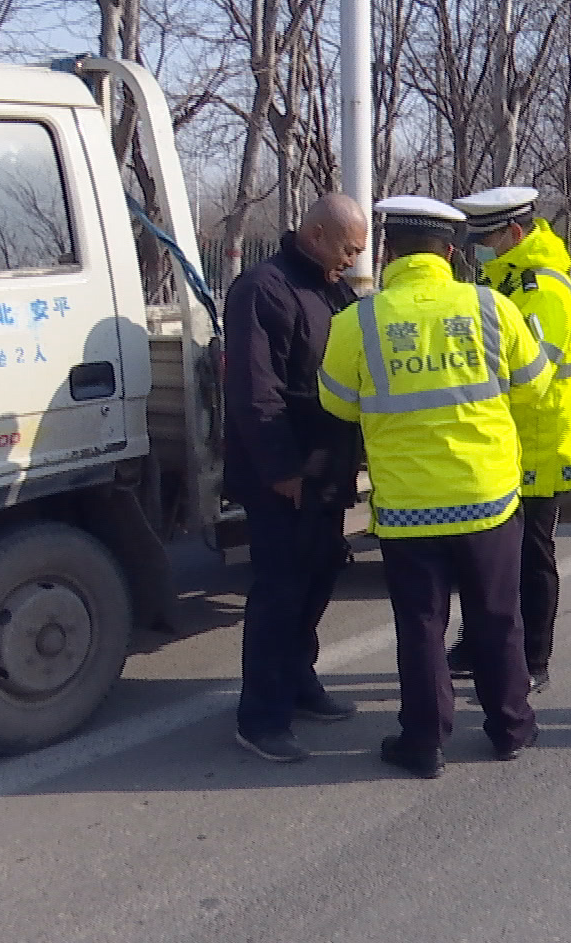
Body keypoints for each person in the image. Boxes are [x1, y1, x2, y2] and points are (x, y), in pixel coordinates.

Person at [320, 195, 551, 778]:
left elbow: (337, 404)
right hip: (487, 499)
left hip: (409, 509)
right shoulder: (492, 308)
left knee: (421, 626)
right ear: (450, 252)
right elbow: (535, 385)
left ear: (388, 251)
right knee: (497, 616)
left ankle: (424, 742)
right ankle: (511, 727)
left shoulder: (358, 322)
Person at [225, 193, 369, 763]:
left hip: (327, 467)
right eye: (348, 249)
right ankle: (261, 718)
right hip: (283, 476)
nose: (353, 261)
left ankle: (299, 680)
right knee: (280, 593)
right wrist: (281, 468)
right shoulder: (263, 289)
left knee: (319, 578)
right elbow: (255, 389)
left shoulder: (333, 290)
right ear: (315, 235)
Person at [443, 185, 571, 692]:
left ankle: (534, 658)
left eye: (485, 240)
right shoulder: (500, 280)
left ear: (513, 233)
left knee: (531, 556)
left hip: (540, 443)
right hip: (501, 440)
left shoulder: (543, 288)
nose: (479, 251)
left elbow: (533, 373)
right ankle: (477, 643)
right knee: (484, 553)